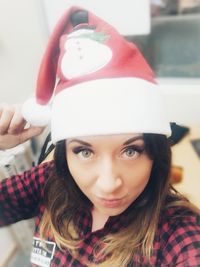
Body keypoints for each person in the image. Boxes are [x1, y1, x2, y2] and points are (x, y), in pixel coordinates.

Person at [0, 6, 200, 267]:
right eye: (84, 152)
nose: (108, 185)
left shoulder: (176, 235)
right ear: (64, 154)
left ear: (155, 153)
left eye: (131, 151)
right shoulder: (50, 181)